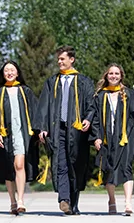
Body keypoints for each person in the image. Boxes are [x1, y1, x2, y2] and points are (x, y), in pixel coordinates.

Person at [35, 46, 94, 215]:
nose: (59, 62)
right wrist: (43, 128)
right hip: (57, 130)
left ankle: (73, 203)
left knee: (75, 165)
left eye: (62, 59)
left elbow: (92, 104)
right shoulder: (52, 82)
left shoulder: (83, 81)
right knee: (61, 164)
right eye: (58, 59)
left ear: (71, 60)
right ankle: (64, 199)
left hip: (77, 131)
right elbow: (44, 106)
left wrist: (88, 119)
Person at [91, 63, 134, 215]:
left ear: (121, 76)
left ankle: (128, 203)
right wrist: (96, 137)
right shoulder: (100, 96)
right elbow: (94, 118)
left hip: (126, 136)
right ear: (106, 76)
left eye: (116, 74)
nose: (113, 76)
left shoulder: (129, 94)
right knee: (108, 169)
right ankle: (112, 200)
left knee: (126, 167)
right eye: (111, 73)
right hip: (106, 137)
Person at [0, 61, 39, 215]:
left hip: (22, 132)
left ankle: (20, 200)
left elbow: (35, 111)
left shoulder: (25, 91)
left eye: (12, 70)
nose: (10, 73)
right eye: (6, 70)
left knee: (19, 164)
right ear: (3, 74)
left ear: (18, 73)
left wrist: (37, 132)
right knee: (8, 168)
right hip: (5, 134)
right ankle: (12, 200)